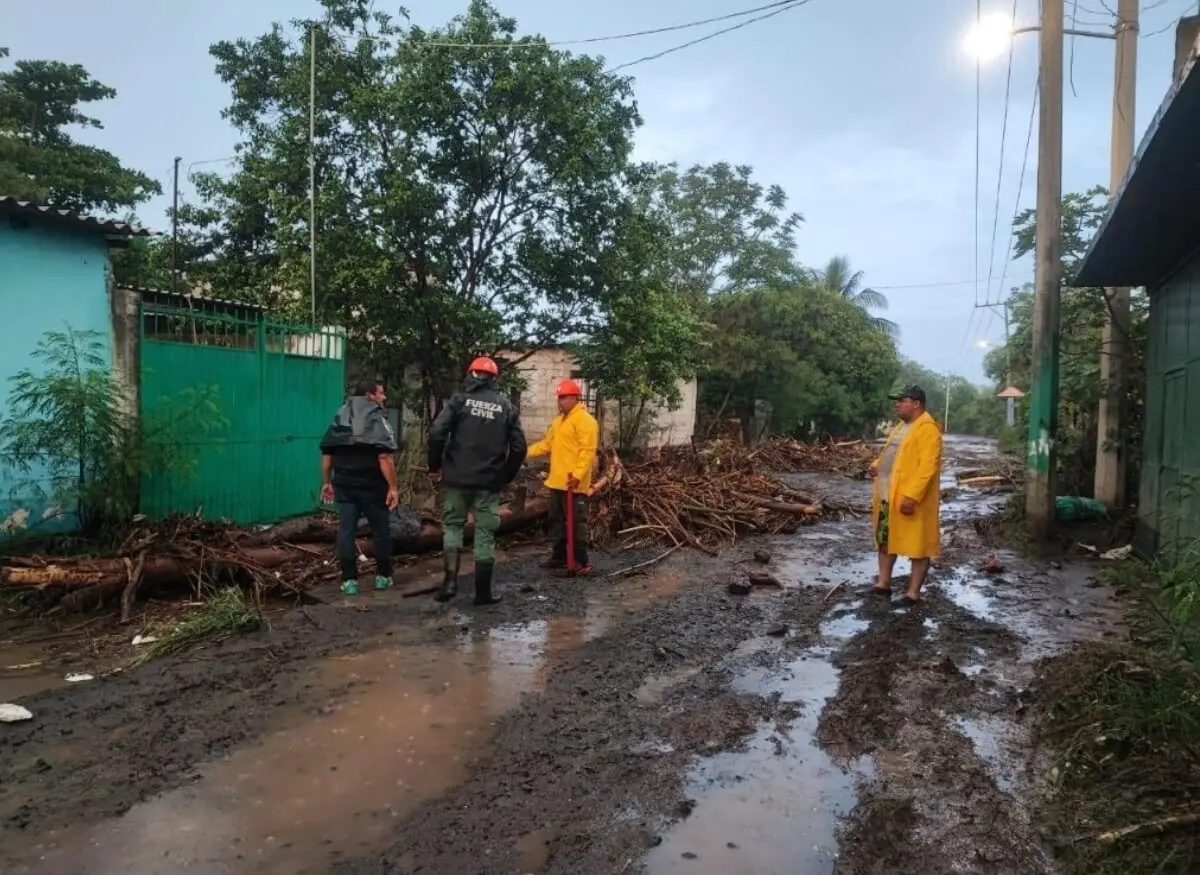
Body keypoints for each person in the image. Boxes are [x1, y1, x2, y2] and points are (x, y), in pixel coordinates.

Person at [427, 356, 528, 606]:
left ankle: (450, 583)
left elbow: (437, 432)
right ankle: (483, 593)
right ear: (494, 378)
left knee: (452, 527)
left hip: (457, 478)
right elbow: (519, 447)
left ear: (470, 374)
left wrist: (434, 464)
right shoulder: (505, 406)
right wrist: (506, 475)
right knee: (484, 533)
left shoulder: (459, 401)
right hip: (489, 481)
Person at [319, 380, 400, 596]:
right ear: (370, 395)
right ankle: (383, 577)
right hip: (373, 487)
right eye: (381, 393)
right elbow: (385, 457)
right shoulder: (377, 418)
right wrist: (393, 488)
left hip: (345, 485)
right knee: (380, 531)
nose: (384, 398)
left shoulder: (340, 415)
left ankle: (349, 581)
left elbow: (327, 455)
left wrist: (327, 482)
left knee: (346, 531)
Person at [866, 384, 943, 607]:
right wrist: (876, 465)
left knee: (918, 546)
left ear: (916, 403)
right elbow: (891, 455)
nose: (897, 405)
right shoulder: (901, 427)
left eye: (902, 400)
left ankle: (912, 593)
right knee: (885, 540)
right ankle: (883, 583)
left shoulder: (928, 430)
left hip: (910, 499)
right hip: (888, 496)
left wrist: (913, 496)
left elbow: (927, 467)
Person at [526, 379, 599, 575]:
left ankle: (580, 561)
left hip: (573, 485)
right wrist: (524, 452)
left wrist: (577, 475)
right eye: (559, 398)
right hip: (557, 482)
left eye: (564, 397)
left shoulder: (586, 421)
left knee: (576, 524)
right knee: (556, 521)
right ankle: (559, 557)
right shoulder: (558, 421)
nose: (560, 402)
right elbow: (546, 445)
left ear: (575, 397)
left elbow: (587, 451)